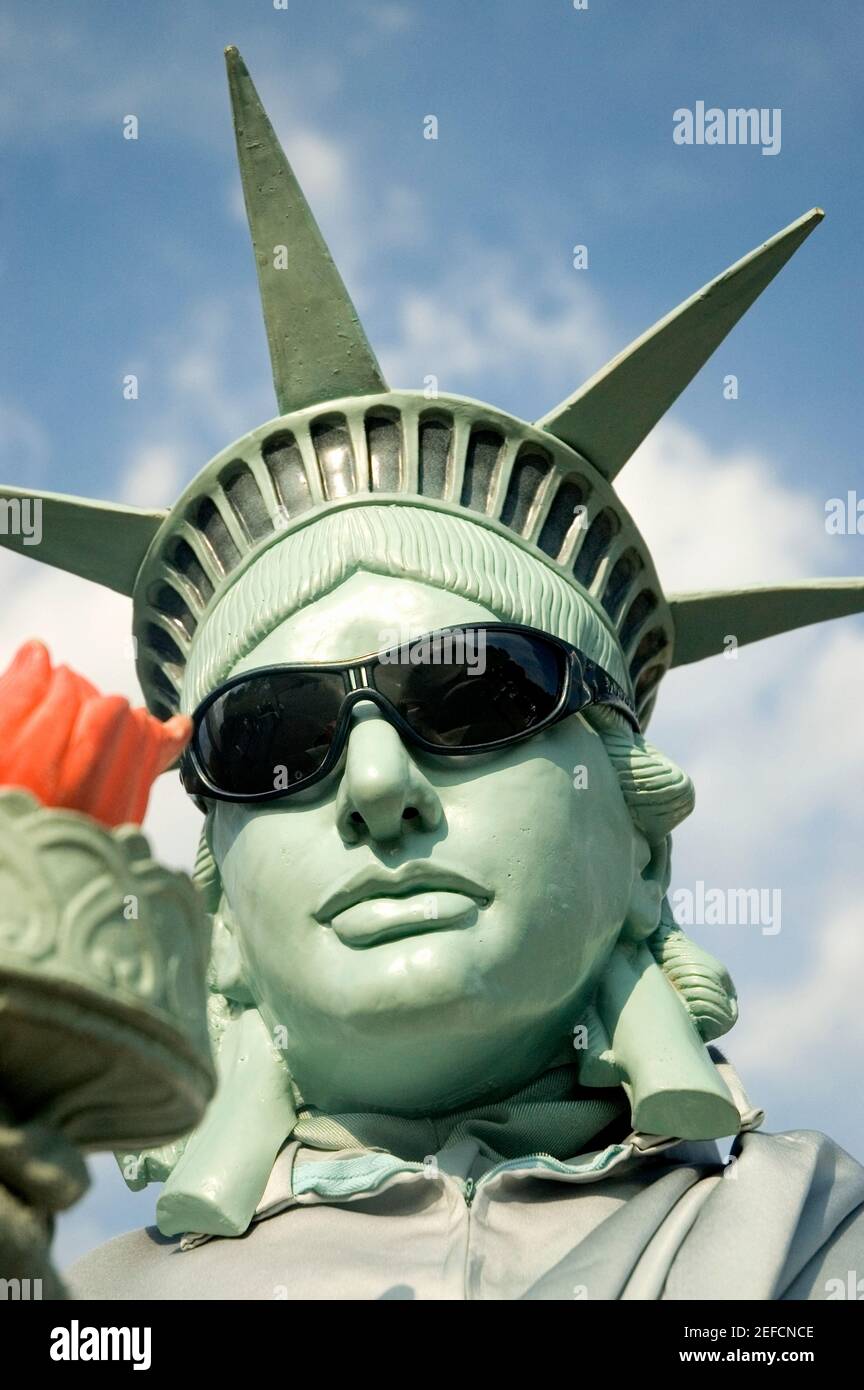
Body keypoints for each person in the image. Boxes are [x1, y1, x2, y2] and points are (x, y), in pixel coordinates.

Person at [4, 49, 863, 1301]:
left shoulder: (822, 1246)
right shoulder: (79, 1309)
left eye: (473, 697)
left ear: (643, 842)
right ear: (222, 916)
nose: (373, 781)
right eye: (268, 738)